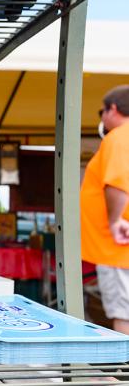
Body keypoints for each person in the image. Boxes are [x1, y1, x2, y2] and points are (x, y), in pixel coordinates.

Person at [81, 85, 129, 334]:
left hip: (117, 247)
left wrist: (114, 221)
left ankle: (123, 372)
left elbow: (117, 182)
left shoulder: (120, 137)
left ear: (113, 109)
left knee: (124, 314)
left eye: (102, 111)